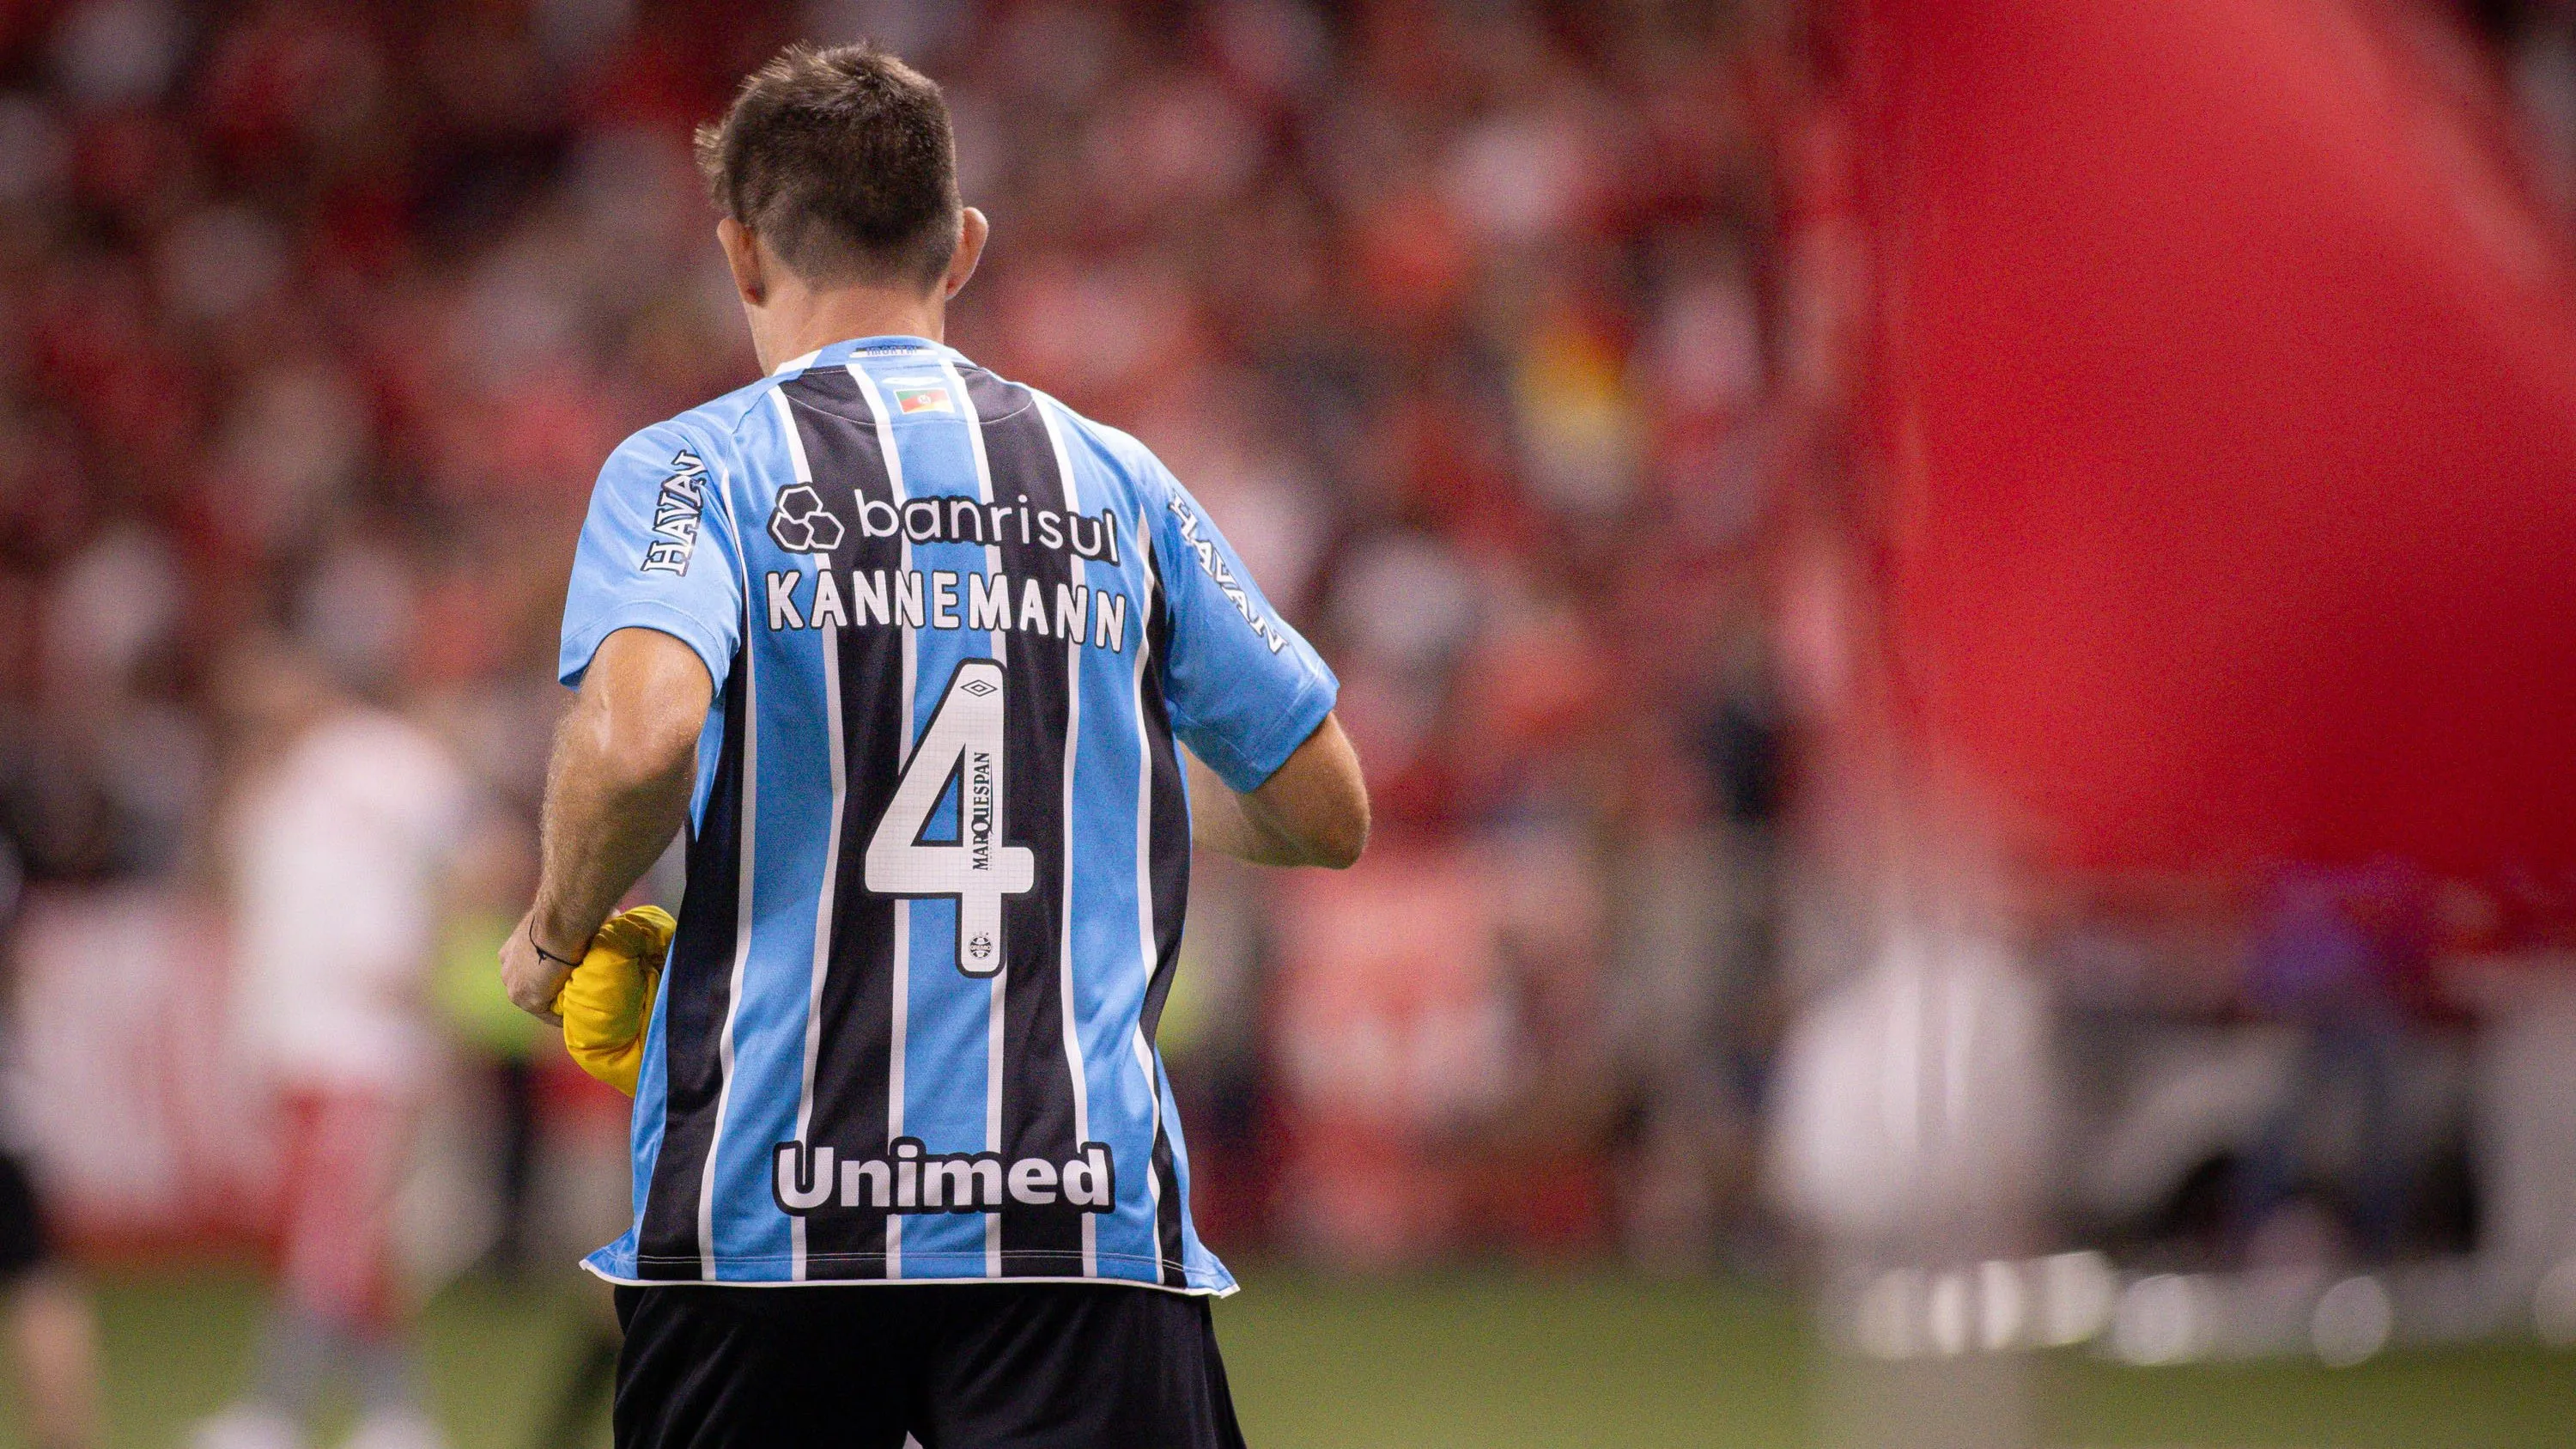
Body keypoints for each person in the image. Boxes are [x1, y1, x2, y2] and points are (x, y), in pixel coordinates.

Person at [496, 41, 1368, 1449]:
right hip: (1071, 1213)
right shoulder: (1118, 480)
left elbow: (644, 732)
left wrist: (553, 931)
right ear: (960, 248)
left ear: (739, 253)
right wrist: (1082, 753)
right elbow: (1326, 802)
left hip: (768, 1218)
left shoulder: (694, 467)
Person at [196, 640, 479, 1449]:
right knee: (333, 1231)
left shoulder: (385, 759)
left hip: (363, 1040)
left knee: (326, 1228)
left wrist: (429, 958)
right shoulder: (273, 782)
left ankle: (274, 1409)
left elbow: (473, 857)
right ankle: (399, 1414)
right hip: (287, 1036)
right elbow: (225, 878)